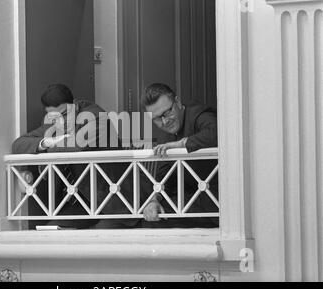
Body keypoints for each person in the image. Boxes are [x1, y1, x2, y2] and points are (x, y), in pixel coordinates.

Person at [12, 84, 143, 229]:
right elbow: (18, 144)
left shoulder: (96, 116)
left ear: (74, 105)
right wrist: (45, 142)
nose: (61, 121)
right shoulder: (53, 122)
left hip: (116, 202)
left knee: (95, 240)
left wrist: (52, 146)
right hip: (81, 202)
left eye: (64, 114)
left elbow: (76, 146)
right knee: (50, 233)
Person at [140, 83, 219, 228]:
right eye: (157, 118)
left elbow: (216, 132)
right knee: (150, 218)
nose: (165, 121)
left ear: (177, 102)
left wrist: (181, 145)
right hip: (192, 201)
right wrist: (154, 200)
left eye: (168, 112)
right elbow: (165, 175)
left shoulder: (198, 114)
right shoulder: (166, 134)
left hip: (221, 202)